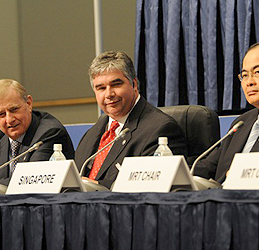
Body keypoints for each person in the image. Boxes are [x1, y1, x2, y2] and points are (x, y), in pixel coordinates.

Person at [75, 51, 187, 189]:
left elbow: (152, 184)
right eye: (101, 88)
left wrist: (98, 186)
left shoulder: (161, 129)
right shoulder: (94, 132)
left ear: (134, 84)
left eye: (116, 85)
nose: (109, 94)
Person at [193, 42, 259, 182]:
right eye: (244, 75)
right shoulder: (242, 123)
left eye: (258, 72)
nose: (249, 82)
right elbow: (208, 166)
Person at [0, 79, 75, 185]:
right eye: (1, 114)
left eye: (14, 109)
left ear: (29, 103)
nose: (9, 119)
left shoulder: (50, 133)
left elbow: (29, 182)